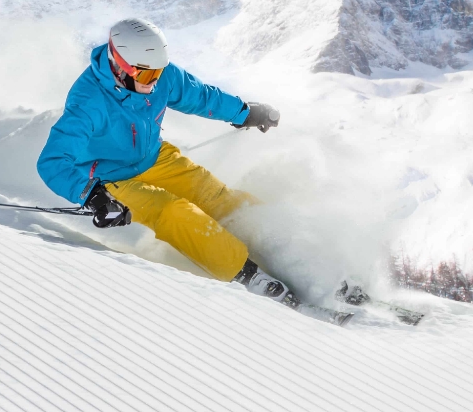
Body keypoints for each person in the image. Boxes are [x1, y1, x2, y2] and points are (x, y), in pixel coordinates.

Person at [36, 19, 295, 306]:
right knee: (173, 211)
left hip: (154, 157)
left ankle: (288, 249)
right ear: (121, 67)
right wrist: (93, 196)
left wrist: (243, 112)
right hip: (112, 177)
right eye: (148, 77)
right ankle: (248, 275)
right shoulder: (89, 101)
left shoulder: (158, 76)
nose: (156, 82)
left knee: (214, 195)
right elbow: (52, 161)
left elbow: (198, 95)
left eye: (159, 72)